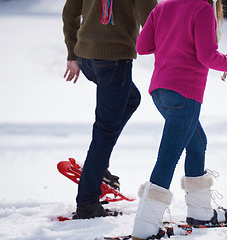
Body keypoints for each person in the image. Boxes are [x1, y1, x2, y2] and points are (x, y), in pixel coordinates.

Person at [131, 0, 227, 238]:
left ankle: (200, 212)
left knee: (197, 143)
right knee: (168, 157)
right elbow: (207, 57)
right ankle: (144, 227)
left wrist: (173, 41)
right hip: (185, 94)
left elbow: (143, 46)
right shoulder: (203, 8)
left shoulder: (163, 6)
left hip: (160, 92)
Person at [62, 0, 157, 219]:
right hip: (114, 59)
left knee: (131, 99)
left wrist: (72, 53)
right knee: (104, 130)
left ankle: (99, 167)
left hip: (87, 57)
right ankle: (87, 203)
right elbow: (151, 19)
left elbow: (70, 12)